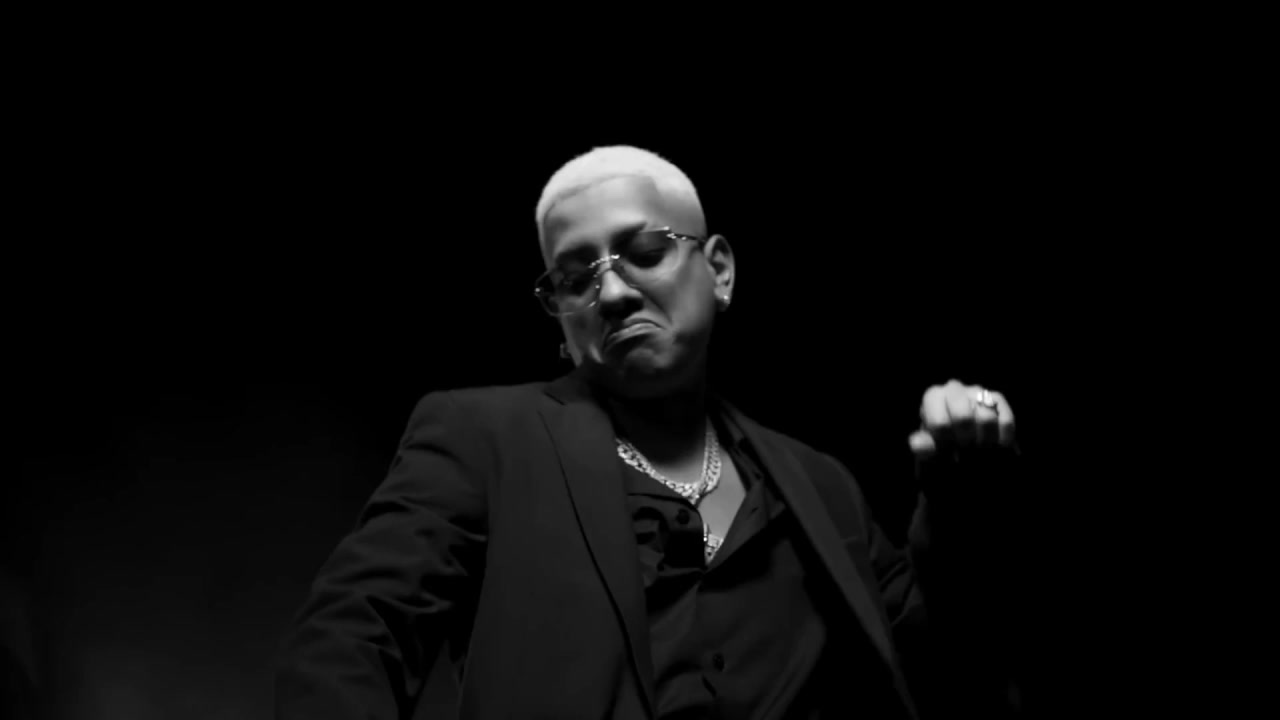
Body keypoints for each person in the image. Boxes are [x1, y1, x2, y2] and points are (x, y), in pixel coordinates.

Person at [274, 146, 1027, 719]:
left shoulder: (823, 488)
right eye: (574, 277)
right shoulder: (482, 437)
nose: (611, 291)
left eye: (644, 252)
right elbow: (354, 634)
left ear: (719, 270)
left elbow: (948, 673)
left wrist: (960, 492)